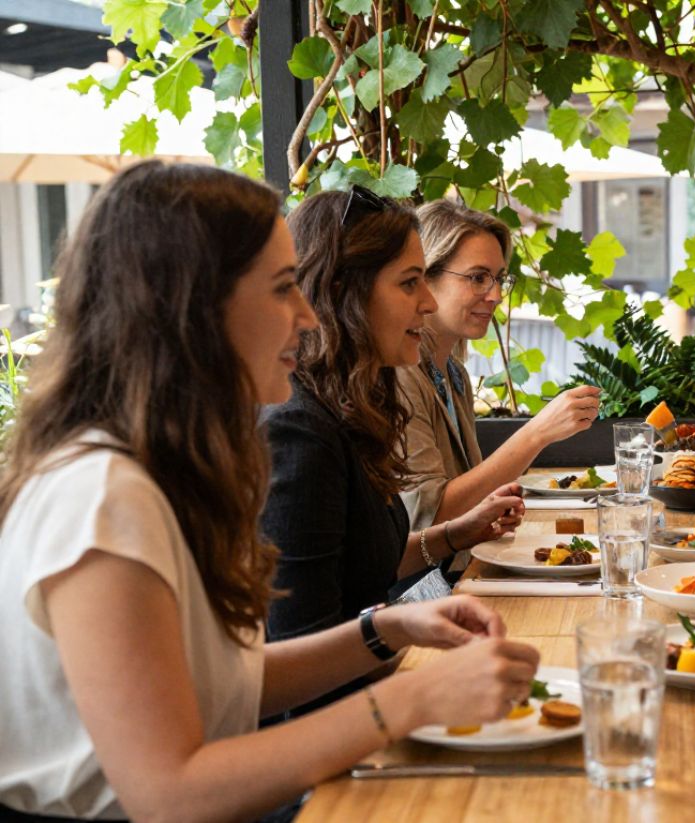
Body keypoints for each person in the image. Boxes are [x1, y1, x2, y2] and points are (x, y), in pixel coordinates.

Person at [0, 162, 540, 821]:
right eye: (284, 287)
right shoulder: (97, 493)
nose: (310, 313)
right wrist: (412, 698)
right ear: (194, 305)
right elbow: (169, 791)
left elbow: (225, 681)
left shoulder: (157, 469)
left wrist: (386, 627)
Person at [262, 189, 524, 698]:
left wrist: (456, 534)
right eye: (410, 283)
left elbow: (358, 563)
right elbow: (304, 676)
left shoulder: (349, 406)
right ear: (346, 293)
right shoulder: (299, 434)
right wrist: (415, 682)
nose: (426, 302)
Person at [398, 199, 601, 535]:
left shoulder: (454, 373)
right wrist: (537, 433)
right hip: (425, 587)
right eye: (478, 278)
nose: (495, 295)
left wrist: (487, 511)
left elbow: (459, 508)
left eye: (498, 279)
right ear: (425, 275)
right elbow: (429, 516)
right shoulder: (400, 377)